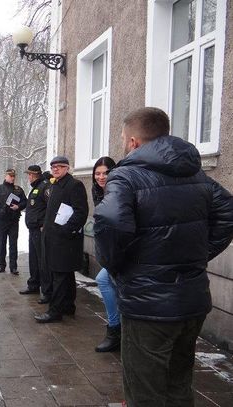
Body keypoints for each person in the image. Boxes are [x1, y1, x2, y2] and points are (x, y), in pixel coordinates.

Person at [94, 107, 233, 406]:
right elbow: (228, 211)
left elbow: (112, 224)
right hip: (192, 300)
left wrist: (117, 267)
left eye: (122, 137)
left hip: (149, 306)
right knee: (179, 384)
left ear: (133, 141)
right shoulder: (195, 174)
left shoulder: (126, 176)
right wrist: (200, 255)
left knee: (145, 391)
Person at [35, 156, 89, 323]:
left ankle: (55, 311)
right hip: (54, 239)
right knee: (66, 275)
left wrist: (65, 231)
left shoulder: (74, 185)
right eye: (53, 167)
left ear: (67, 168)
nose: (55, 169)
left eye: (59, 166)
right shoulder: (55, 185)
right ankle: (68, 306)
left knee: (59, 276)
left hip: (66, 240)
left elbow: (81, 212)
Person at [90, 156, 120, 352]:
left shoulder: (118, 191)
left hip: (122, 249)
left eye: (105, 173)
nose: (101, 177)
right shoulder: (99, 192)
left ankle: (115, 329)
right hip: (110, 249)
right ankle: (117, 329)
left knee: (103, 280)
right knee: (107, 282)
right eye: (98, 173)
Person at [0, 169, 27, 274]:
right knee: (1, 244)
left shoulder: (18, 190)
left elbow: (25, 202)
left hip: (14, 221)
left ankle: (13, 267)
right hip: (2, 221)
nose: (12, 177)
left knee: (13, 245)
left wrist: (18, 206)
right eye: (10, 175)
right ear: (6, 176)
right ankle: (1, 265)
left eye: (14, 176)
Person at [19, 165, 49, 295]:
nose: (28, 177)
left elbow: (50, 208)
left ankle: (47, 290)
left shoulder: (45, 187)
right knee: (33, 259)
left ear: (35, 174)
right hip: (33, 229)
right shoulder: (36, 187)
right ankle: (34, 285)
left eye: (30, 175)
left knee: (42, 260)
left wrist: (44, 225)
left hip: (40, 229)